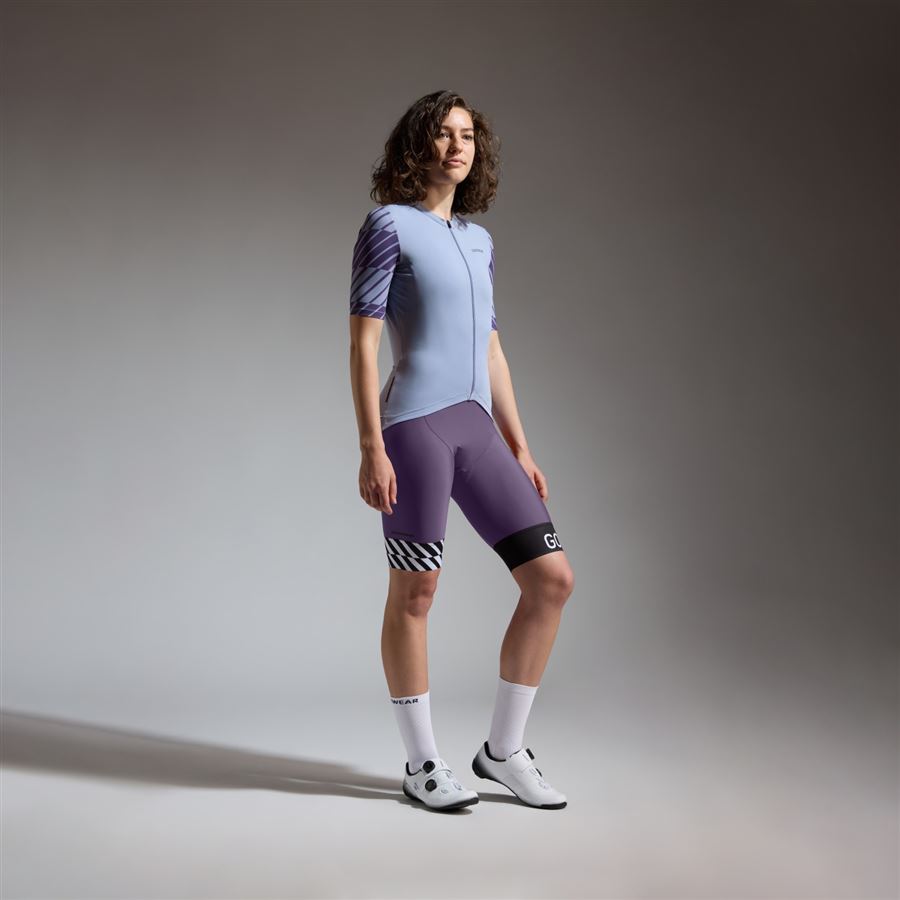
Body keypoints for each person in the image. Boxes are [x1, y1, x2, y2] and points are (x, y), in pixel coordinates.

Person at [348, 90, 575, 812]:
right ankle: (422, 765)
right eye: (443, 134)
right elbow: (363, 343)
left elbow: (492, 350)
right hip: (414, 431)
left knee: (551, 581)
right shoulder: (388, 226)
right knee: (416, 593)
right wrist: (371, 446)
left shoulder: (480, 242)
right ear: (417, 145)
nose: (457, 146)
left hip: (478, 430)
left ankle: (502, 753)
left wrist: (520, 445)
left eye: (468, 135)